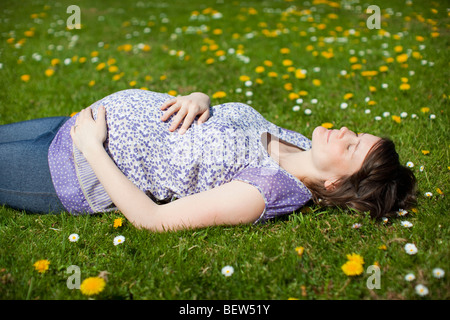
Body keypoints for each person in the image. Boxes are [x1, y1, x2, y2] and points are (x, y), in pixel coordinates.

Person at [0, 89, 417, 231]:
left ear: (333, 184)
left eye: (350, 147)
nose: (345, 133)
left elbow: (154, 221)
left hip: (69, 168)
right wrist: (200, 100)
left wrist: (92, 145)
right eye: (356, 134)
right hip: (74, 124)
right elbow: (223, 124)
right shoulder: (296, 144)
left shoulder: (266, 189)